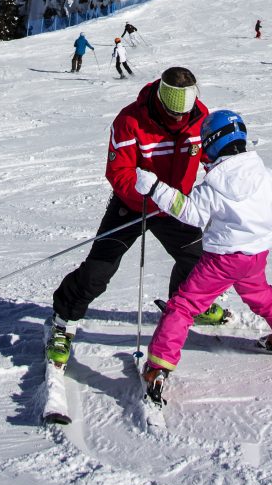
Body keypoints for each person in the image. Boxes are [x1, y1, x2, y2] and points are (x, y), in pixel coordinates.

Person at [137, 114, 272, 403]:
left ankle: (158, 366)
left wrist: (156, 189)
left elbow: (189, 212)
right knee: (261, 295)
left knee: (183, 306)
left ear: (212, 145)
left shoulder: (213, 185)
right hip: (255, 256)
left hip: (221, 261)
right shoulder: (263, 175)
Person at [47, 68, 227, 367]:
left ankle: (185, 305)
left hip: (175, 205)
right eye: (174, 113)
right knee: (98, 272)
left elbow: (208, 156)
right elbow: (118, 173)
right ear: (160, 99)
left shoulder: (199, 115)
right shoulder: (130, 121)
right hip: (133, 205)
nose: (180, 119)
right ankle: (63, 319)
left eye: (185, 113)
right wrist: (149, 196)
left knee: (200, 261)